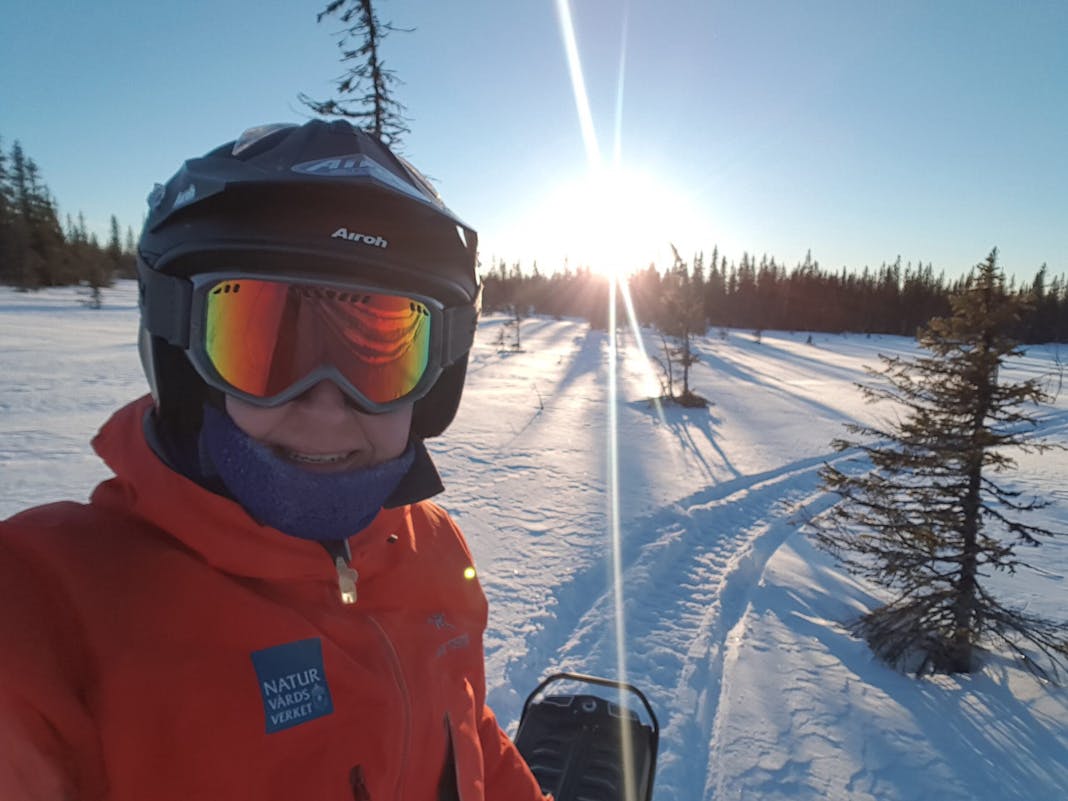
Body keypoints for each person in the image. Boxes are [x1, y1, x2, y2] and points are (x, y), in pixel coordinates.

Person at [0, 120, 548, 801]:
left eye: (379, 356)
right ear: (184, 361)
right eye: (263, 343)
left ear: (436, 383)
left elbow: (467, 736)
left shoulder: (434, 546)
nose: (325, 406)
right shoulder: (50, 604)